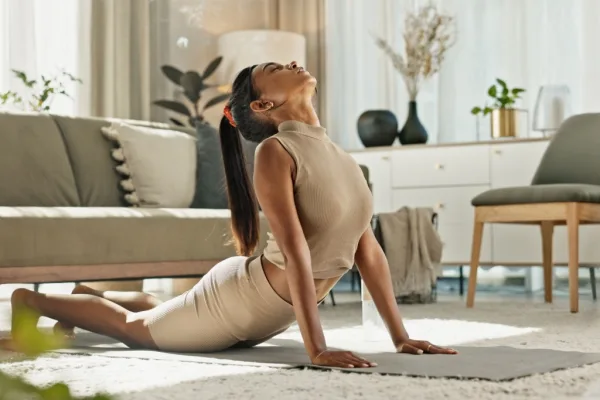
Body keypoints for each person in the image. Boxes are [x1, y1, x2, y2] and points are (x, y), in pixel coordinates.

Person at [1, 61, 456, 368]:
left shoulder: (342, 157)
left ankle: (87, 296)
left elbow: (368, 252)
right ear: (262, 106)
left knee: (167, 313)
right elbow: (296, 251)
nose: (293, 63)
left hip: (255, 302)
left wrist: (400, 336)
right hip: (241, 300)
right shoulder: (277, 152)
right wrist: (316, 348)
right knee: (136, 331)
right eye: (275, 69)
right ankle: (32, 301)